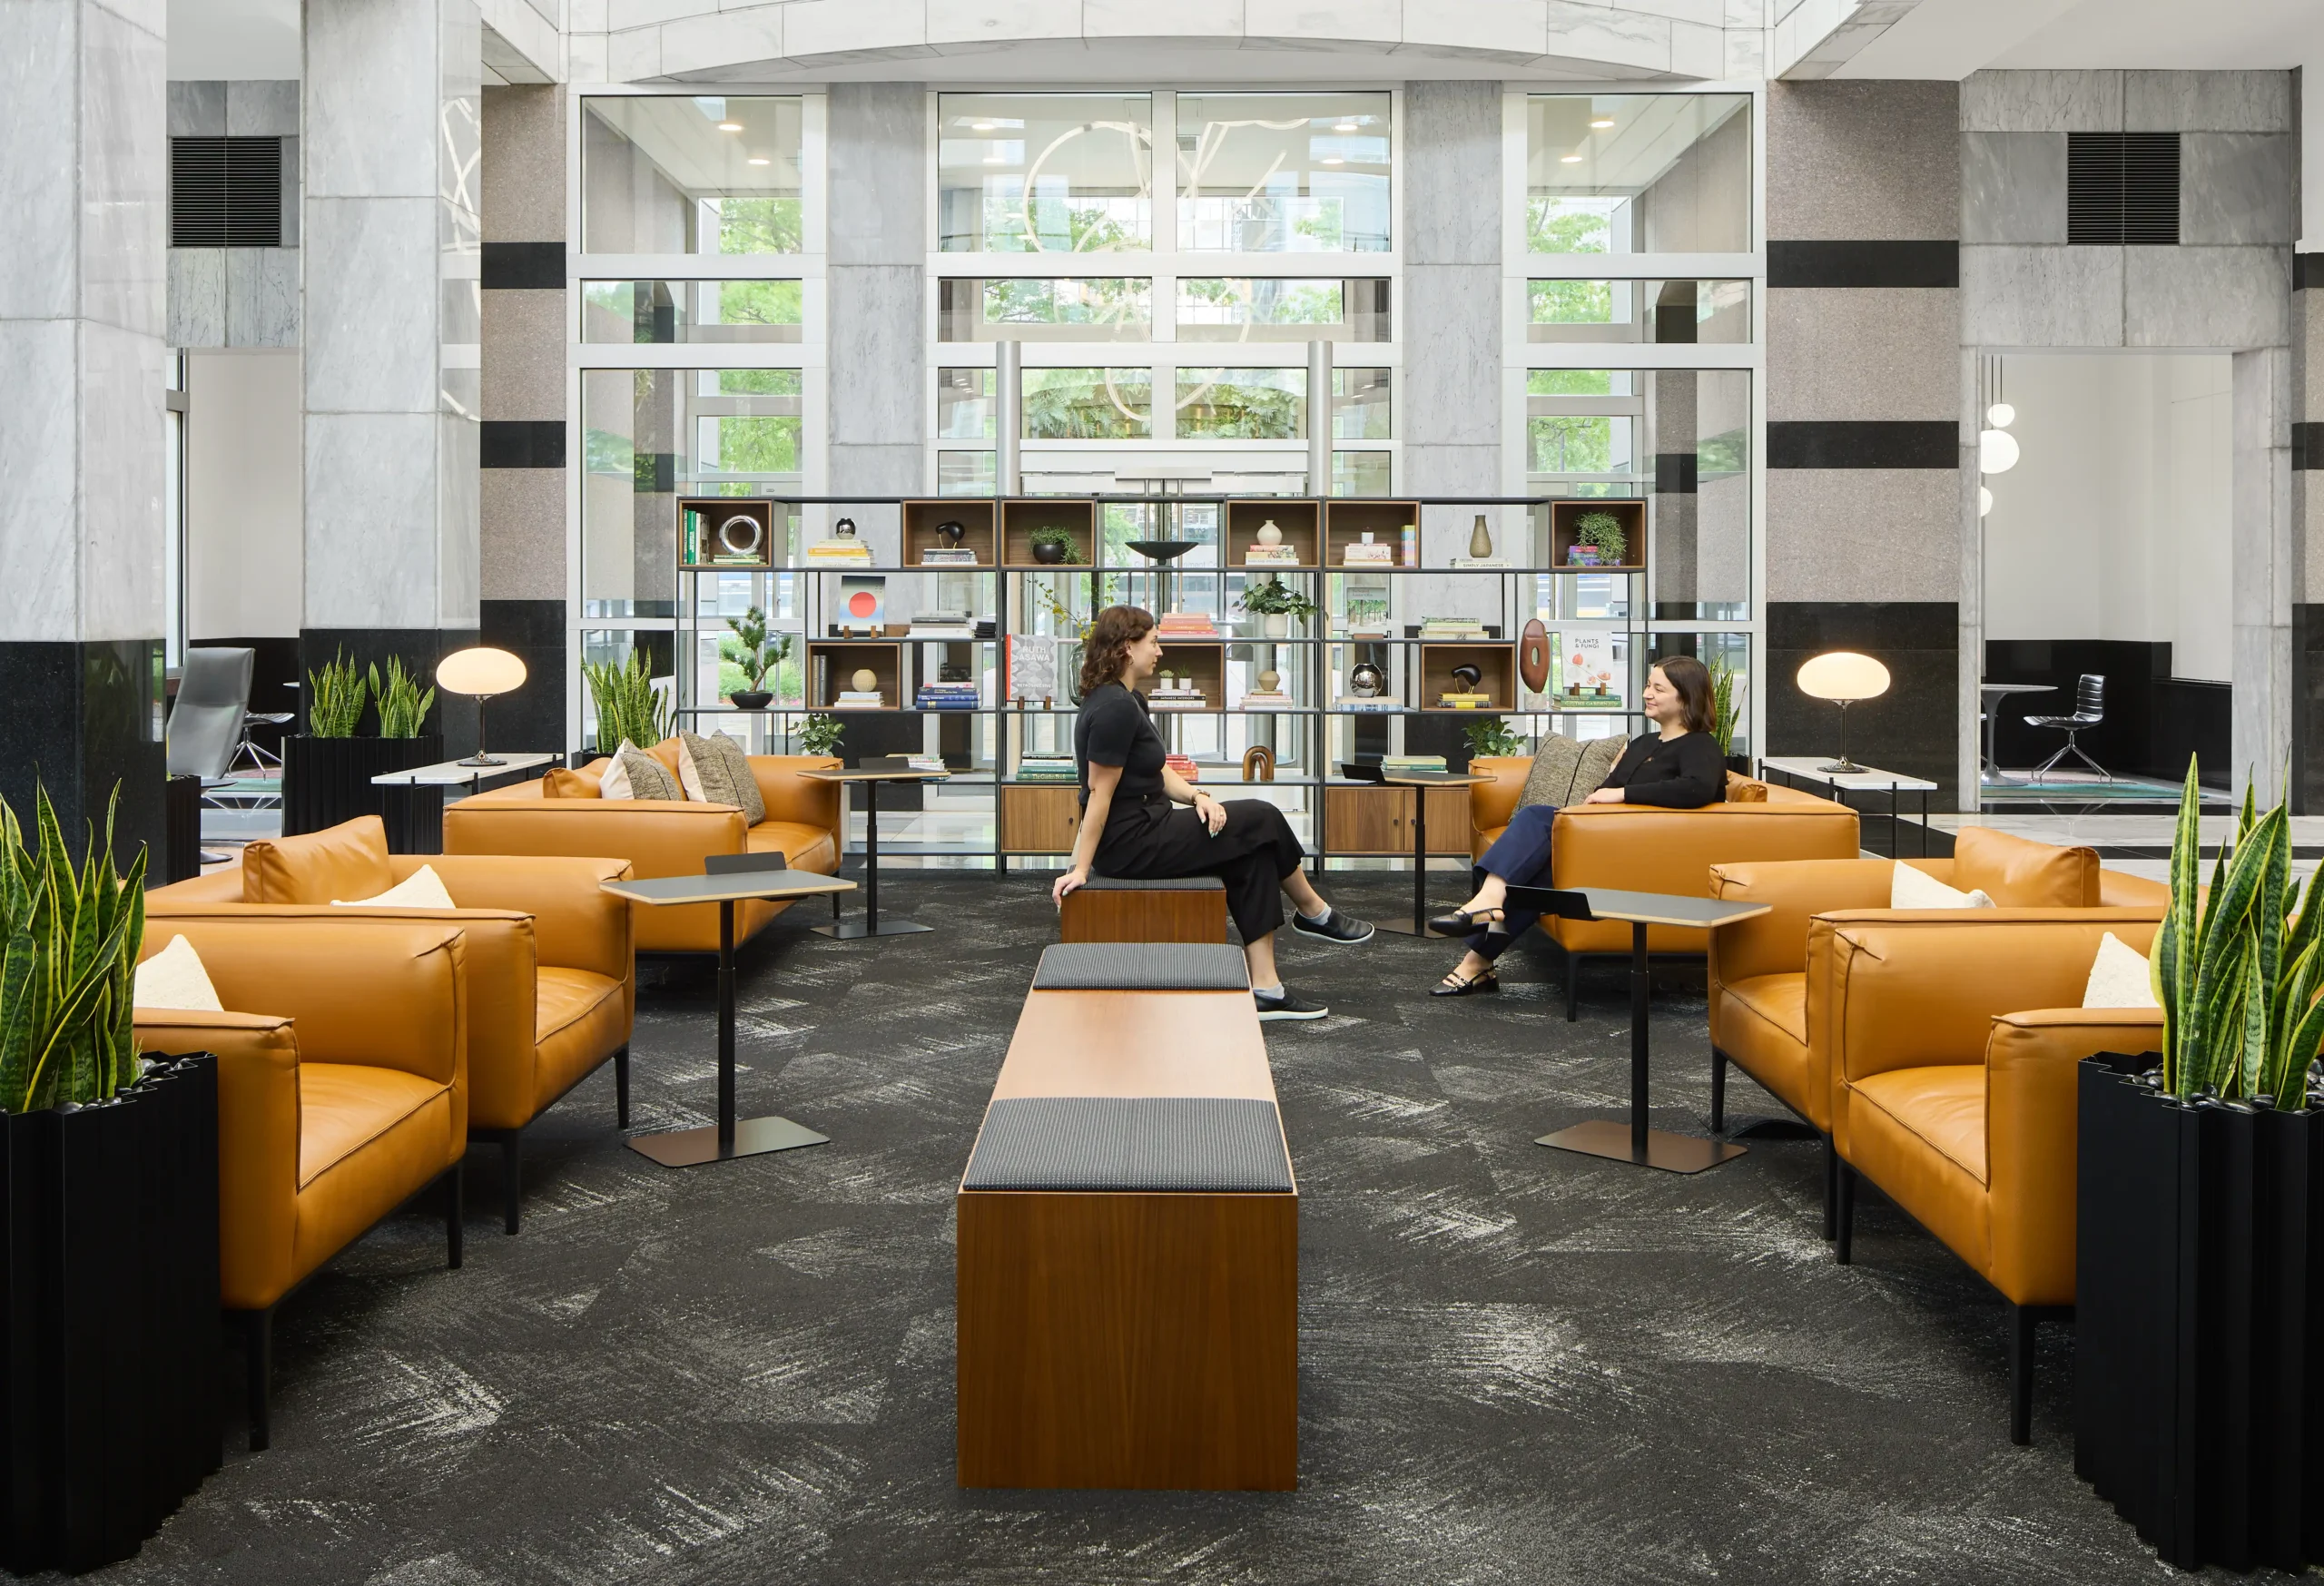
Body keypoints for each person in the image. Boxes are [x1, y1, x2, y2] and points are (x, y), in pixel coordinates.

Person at [1051, 605, 1373, 1020]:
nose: (1160, 652)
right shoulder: (1113, 707)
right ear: (1127, 647)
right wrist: (1081, 868)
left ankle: (1268, 989)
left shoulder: (1129, 700)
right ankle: (1314, 911)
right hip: (1130, 844)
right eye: (1154, 642)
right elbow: (1099, 794)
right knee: (1261, 816)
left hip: (1152, 825)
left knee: (1252, 853)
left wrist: (1197, 797)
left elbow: (1158, 769)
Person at [1427, 655, 1727, 996]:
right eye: (1648, 685)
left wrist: (1621, 795)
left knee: (1537, 818)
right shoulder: (1645, 744)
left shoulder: (1700, 746)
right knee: (1539, 872)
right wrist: (1591, 808)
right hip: (1604, 842)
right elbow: (1605, 790)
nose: (1647, 694)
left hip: (1643, 855)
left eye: (1658, 689)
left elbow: (1696, 789)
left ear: (1686, 697)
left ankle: (1485, 911)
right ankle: (1477, 959)